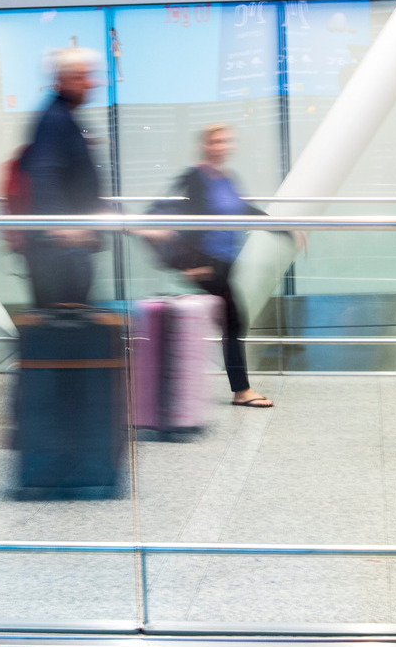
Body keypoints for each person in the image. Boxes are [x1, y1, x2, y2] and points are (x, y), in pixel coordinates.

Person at [143, 124, 302, 408]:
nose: (222, 146)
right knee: (234, 319)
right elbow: (161, 214)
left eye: (226, 141)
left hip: (225, 263)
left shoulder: (227, 179)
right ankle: (241, 391)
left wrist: (286, 229)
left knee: (228, 320)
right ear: (205, 144)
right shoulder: (194, 177)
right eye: (215, 141)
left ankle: (181, 382)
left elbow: (246, 210)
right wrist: (185, 264)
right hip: (205, 264)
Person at [21, 48, 104, 308]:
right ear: (62, 79)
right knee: (62, 327)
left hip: (67, 246)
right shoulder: (54, 119)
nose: (90, 83)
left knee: (69, 324)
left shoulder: (64, 117)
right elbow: (44, 173)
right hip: (58, 251)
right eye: (81, 77)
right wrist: (60, 228)